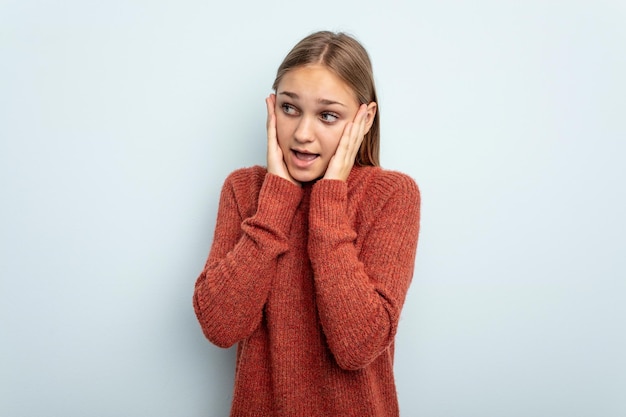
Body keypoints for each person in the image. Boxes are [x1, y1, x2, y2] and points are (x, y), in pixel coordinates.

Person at [193, 30, 421, 417]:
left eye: (328, 115)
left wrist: (329, 199)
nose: (302, 134)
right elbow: (220, 325)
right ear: (272, 107)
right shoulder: (243, 190)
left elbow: (358, 346)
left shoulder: (392, 195)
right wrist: (276, 200)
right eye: (290, 108)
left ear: (365, 120)